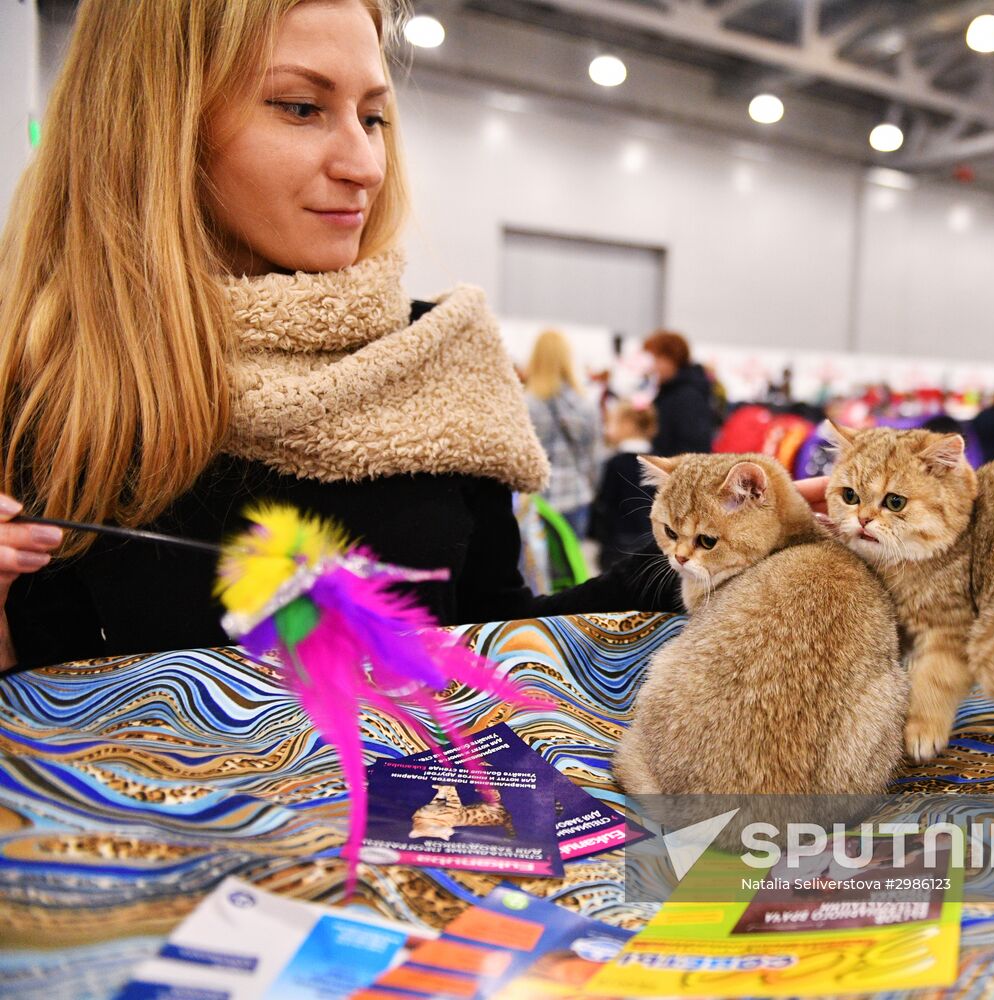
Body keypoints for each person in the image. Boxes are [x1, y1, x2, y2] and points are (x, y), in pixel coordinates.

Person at [0, 0, 830, 671]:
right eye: (300, 108)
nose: (363, 163)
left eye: (374, 116)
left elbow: (493, 633)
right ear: (157, 123)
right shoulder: (55, 381)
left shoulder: (438, 359)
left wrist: (736, 561)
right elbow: (43, 673)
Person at [524, 330, 602, 539]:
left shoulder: (525, 404)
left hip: (534, 500)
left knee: (534, 569)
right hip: (575, 496)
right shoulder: (586, 404)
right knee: (571, 565)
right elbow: (594, 458)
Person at [589, 402, 657, 571]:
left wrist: (597, 534)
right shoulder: (660, 462)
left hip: (619, 543)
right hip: (652, 541)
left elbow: (605, 503)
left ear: (627, 425)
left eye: (613, 422)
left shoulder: (616, 464)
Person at [642, 330, 718, 456]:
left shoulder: (688, 396)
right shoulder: (670, 391)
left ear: (671, 359)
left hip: (675, 471)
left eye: (657, 359)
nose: (654, 367)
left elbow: (695, 447)